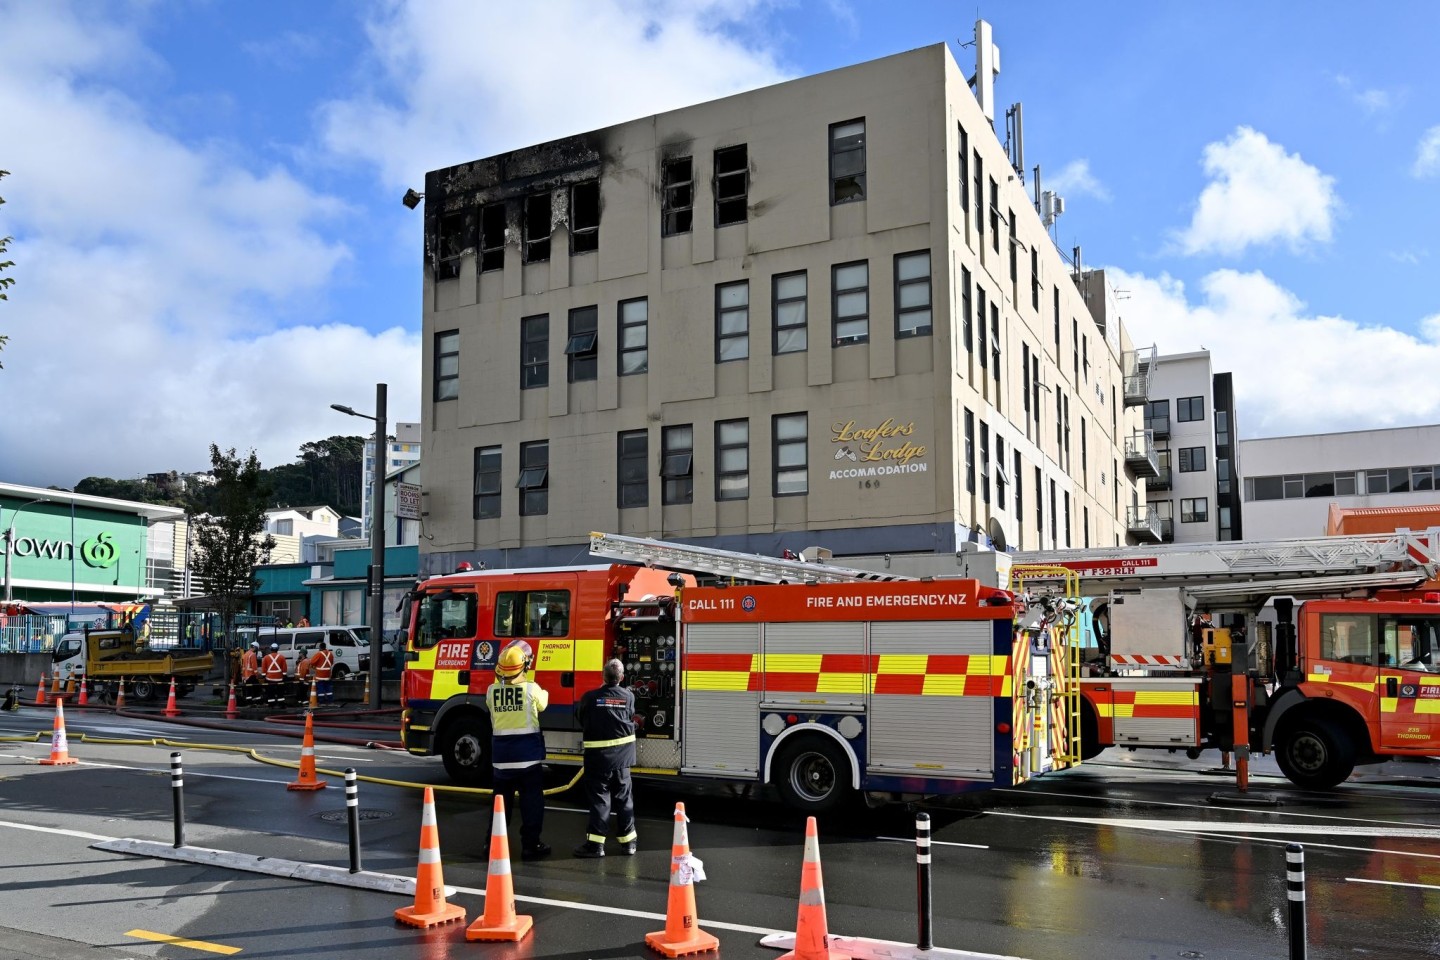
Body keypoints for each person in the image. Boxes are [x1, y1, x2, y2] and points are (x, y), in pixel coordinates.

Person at [484, 639, 550, 860]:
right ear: (525, 666)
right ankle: (531, 846)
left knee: (500, 807)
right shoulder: (532, 689)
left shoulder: (491, 691)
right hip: (528, 760)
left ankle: (491, 846)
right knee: (531, 805)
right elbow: (543, 703)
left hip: (501, 761)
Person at [572, 659, 638, 858]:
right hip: (623, 760)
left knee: (600, 801)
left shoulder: (590, 698)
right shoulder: (629, 696)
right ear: (622, 678)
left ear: (603, 677)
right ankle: (629, 844)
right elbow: (631, 716)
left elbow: (580, 717)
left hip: (598, 759)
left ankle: (596, 846)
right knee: (625, 800)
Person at [312, 640, 335, 704]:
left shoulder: (319, 654)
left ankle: (321, 701)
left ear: (320, 647)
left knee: (321, 688)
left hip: (320, 675)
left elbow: (312, 662)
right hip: (328, 674)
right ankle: (330, 701)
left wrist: (316, 665)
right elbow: (332, 663)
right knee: (328, 688)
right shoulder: (330, 654)